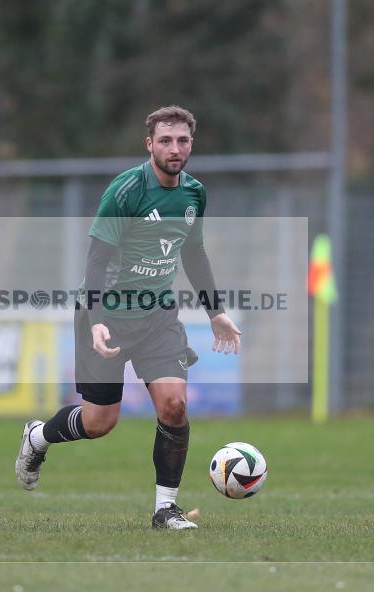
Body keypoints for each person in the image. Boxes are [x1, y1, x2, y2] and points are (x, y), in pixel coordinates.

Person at [15, 105, 241, 530]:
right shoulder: (126, 191)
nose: (175, 148)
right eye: (166, 140)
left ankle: (165, 510)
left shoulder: (195, 193)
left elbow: (193, 252)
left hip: (157, 317)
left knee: (174, 406)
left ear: (191, 143)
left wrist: (217, 312)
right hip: (106, 316)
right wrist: (98, 319)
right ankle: (37, 437)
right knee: (100, 422)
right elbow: (96, 262)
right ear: (149, 145)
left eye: (183, 140)